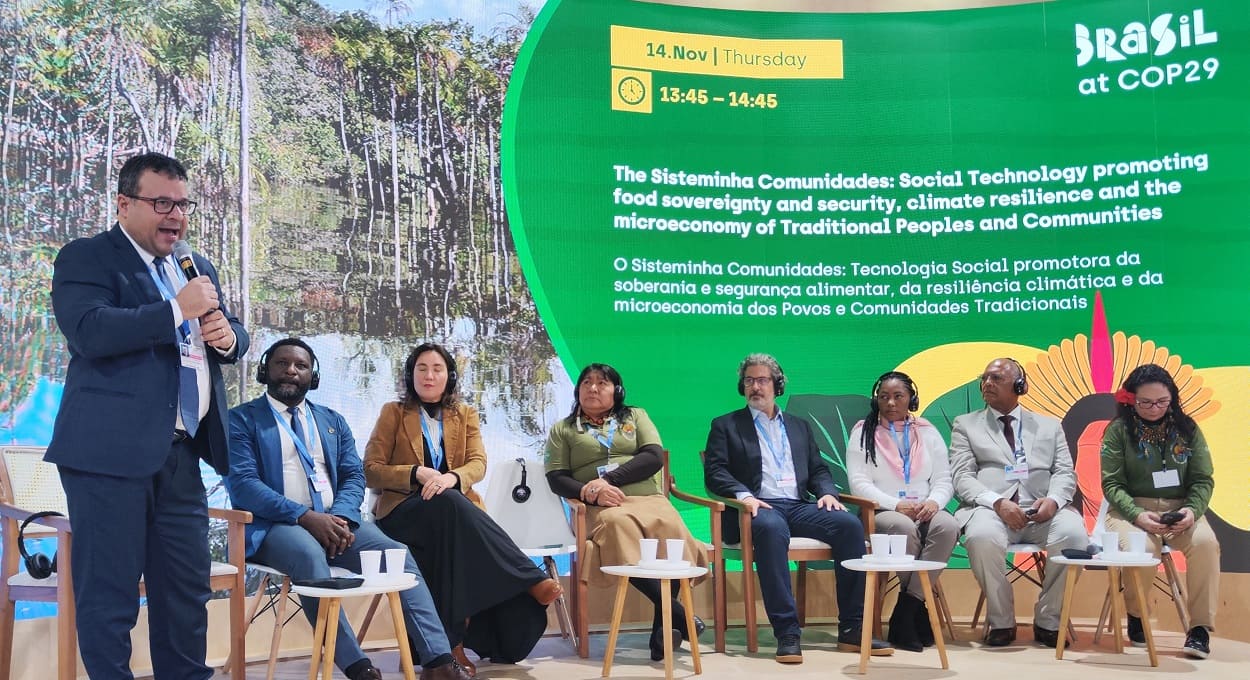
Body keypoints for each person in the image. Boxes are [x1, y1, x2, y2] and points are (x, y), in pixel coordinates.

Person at [46, 152, 249, 679]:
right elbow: (89, 331)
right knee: (109, 594)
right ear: (124, 203)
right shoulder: (88, 257)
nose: (175, 216)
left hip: (182, 454)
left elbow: (226, 333)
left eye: (183, 205)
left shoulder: (195, 266)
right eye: (162, 203)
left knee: (185, 592)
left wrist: (230, 339)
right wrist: (175, 310)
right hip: (108, 456)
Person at [227, 338, 470, 680]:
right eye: (282, 363)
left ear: (314, 376)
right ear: (265, 370)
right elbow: (244, 486)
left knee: (396, 553)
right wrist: (307, 518)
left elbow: (354, 475)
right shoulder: (240, 420)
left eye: (301, 366)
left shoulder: (332, 420)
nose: (291, 371)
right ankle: (357, 667)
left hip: (337, 522)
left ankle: (438, 661)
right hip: (276, 526)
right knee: (309, 554)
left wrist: (339, 517)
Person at [364, 342, 562, 674]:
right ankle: (528, 577)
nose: (429, 375)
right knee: (448, 505)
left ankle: (451, 644)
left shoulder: (464, 414)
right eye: (422, 369)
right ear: (410, 375)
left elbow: (478, 464)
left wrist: (453, 477)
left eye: (437, 369)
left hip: (450, 516)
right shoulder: (393, 413)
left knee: (449, 519)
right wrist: (416, 473)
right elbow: (370, 469)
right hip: (402, 513)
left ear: (449, 376)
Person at [703, 353, 893, 663]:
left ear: (777, 385)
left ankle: (852, 629)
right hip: (756, 507)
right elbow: (715, 472)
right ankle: (787, 632)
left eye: (762, 380)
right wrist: (744, 495)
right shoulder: (726, 425)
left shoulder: (798, 426)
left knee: (848, 527)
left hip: (796, 504)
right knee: (770, 528)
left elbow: (817, 469)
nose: (755, 387)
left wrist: (828, 492)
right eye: (749, 381)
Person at [544, 363, 707, 662]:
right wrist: (588, 492)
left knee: (670, 528)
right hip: (601, 506)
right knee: (619, 528)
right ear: (577, 390)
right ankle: (680, 616)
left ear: (616, 391)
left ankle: (663, 632)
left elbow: (653, 457)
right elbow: (556, 477)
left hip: (648, 498)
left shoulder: (636, 416)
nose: (593, 388)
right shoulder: (564, 429)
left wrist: (605, 481)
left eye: (602, 383)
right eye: (586, 383)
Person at [949, 357, 1087, 648]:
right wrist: (998, 502)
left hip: (1043, 511)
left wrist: (1054, 500)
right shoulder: (966, 424)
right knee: (981, 536)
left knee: (1074, 535)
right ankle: (1001, 621)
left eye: (996, 378)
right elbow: (961, 477)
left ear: (1020, 386)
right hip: (991, 510)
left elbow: (1064, 472)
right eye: (984, 378)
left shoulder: (1049, 426)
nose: (987, 383)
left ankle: (1049, 619)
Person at [1101, 363, 1219, 659]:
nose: (1154, 408)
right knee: (1144, 549)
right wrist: (1137, 515)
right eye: (1146, 402)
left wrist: (1192, 511)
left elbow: (1203, 479)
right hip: (1131, 511)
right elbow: (1112, 484)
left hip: (1180, 510)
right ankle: (1137, 615)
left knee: (1206, 544)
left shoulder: (1187, 428)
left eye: (1162, 402)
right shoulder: (1117, 432)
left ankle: (1200, 629)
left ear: (1172, 399)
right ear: (1130, 400)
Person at [847, 371, 957, 652]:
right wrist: (896, 504)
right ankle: (916, 613)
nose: (891, 403)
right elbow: (858, 483)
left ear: (912, 399)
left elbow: (944, 478)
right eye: (884, 397)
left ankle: (906, 611)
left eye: (898, 396)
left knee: (948, 527)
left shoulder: (927, 431)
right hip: (883, 511)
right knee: (903, 527)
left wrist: (934, 502)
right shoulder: (863, 431)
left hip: (925, 508)